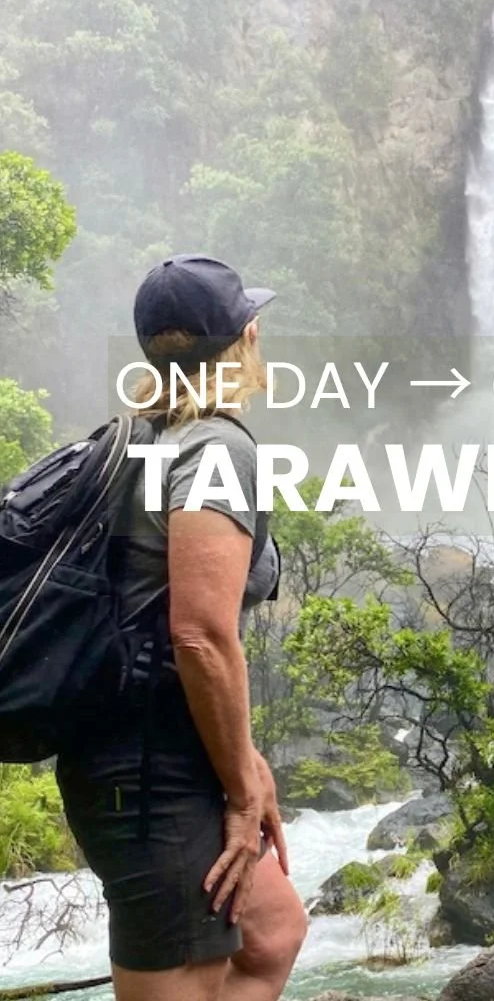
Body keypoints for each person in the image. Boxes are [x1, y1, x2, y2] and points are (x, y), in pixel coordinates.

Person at [55, 255, 307, 1001]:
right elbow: (197, 635)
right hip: (153, 776)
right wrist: (239, 792)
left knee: (271, 933)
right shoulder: (213, 448)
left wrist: (243, 758)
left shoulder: (134, 438)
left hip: (148, 752)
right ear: (247, 338)